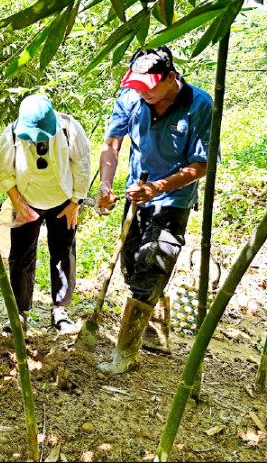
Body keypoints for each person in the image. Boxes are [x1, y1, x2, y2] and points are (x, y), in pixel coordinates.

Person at [94, 46, 212, 374]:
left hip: (172, 200)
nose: (143, 94)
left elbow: (200, 165)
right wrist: (106, 184)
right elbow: (112, 144)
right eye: (138, 87)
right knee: (131, 266)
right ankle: (155, 329)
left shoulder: (199, 105)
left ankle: (125, 354)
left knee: (150, 269)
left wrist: (158, 188)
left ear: (171, 78)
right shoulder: (131, 97)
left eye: (150, 89)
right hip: (137, 195)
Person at [0, 94, 91, 334]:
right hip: (26, 201)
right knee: (21, 256)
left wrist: (76, 201)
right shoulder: (11, 134)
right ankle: (19, 311)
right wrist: (18, 203)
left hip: (63, 201)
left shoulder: (69, 127)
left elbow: (81, 163)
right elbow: (4, 172)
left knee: (63, 252)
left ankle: (60, 309)